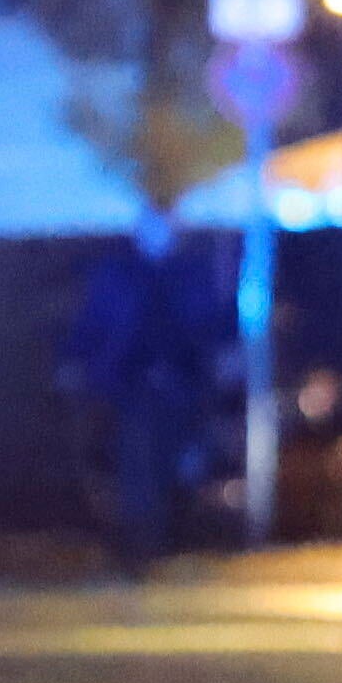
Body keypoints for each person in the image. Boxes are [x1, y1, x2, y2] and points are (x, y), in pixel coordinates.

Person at [60, 205, 230, 568]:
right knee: (136, 465)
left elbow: (206, 327)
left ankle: (164, 541)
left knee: (175, 464)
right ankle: (141, 545)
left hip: (178, 385)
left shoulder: (189, 273)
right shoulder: (119, 273)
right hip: (130, 387)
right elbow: (96, 323)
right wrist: (81, 362)